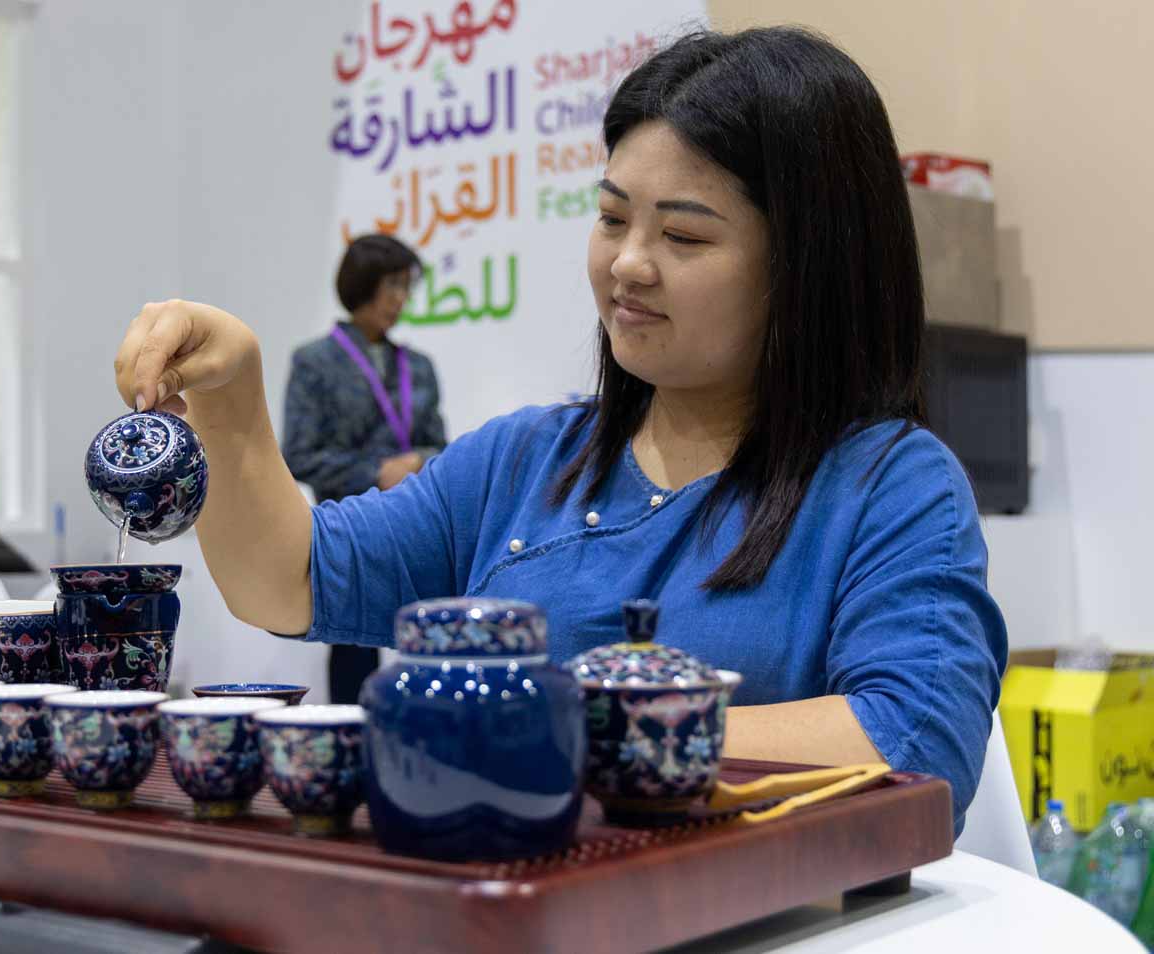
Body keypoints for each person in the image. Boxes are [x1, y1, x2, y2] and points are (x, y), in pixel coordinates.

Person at [113, 27, 1007, 834]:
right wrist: (232, 403)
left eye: (685, 238)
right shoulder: (527, 460)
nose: (626, 263)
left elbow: (915, 738)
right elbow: (289, 580)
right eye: (613, 217)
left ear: (807, 266)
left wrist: (561, 723)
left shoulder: (888, 485)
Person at [283, 233, 447, 703]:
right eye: (391, 286)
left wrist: (419, 461)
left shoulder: (419, 367)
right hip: (350, 528)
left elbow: (442, 445)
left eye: (405, 287)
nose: (400, 299)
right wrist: (376, 473)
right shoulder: (314, 362)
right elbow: (300, 453)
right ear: (362, 286)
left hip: (418, 523)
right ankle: (352, 757)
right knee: (354, 649)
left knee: (428, 648)